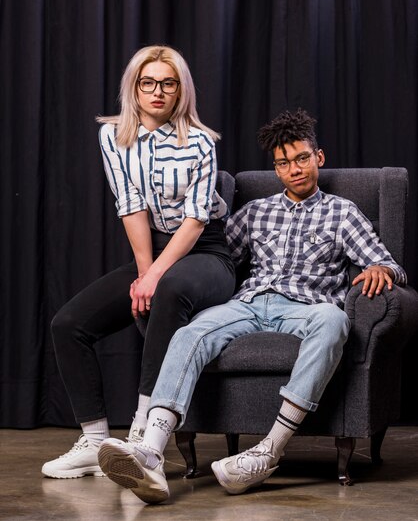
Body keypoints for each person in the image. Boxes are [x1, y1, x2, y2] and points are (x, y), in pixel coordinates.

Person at [97, 108, 407, 504]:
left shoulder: (342, 212)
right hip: (248, 304)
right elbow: (217, 258)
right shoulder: (255, 212)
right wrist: (160, 273)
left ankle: (268, 450)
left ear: (319, 158)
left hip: (307, 309)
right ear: (275, 170)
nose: (294, 169)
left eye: (301, 159)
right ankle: (151, 452)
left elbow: (391, 265)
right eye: (283, 163)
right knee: (191, 332)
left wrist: (382, 269)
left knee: (335, 320)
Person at [41, 45, 235, 479]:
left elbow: (196, 219)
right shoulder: (113, 136)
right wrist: (144, 271)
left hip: (206, 251)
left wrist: (155, 276)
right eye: (148, 83)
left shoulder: (200, 141)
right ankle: (93, 442)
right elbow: (131, 206)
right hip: (153, 250)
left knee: (167, 288)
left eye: (169, 83)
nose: (158, 92)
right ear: (135, 88)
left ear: (180, 90)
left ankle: (144, 432)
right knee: (68, 324)